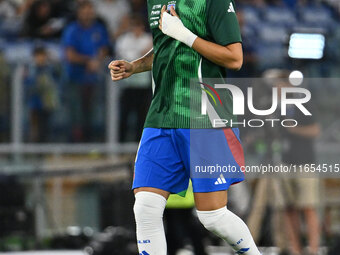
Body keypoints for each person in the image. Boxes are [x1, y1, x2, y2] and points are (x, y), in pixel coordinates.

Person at [108, 1, 261, 255]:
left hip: (203, 115)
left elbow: (234, 58)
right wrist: (136, 66)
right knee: (145, 207)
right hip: (161, 115)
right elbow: (166, 48)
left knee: (212, 216)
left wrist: (185, 35)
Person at [62, 0, 110, 142]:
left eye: (90, 11)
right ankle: (74, 146)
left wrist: (97, 61)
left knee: (92, 114)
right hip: (75, 78)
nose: (88, 14)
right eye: (85, 11)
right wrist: (88, 61)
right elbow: (70, 55)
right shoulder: (72, 30)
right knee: (76, 114)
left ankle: (90, 144)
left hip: (93, 79)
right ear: (79, 13)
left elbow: (104, 49)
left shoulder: (99, 29)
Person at [115, 16, 152, 142]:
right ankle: (121, 145)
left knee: (142, 117)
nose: (136, 29)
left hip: (143, 85)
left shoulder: (148, 39)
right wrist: (140, 54)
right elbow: (125, 58)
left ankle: (139, 143)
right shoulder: (123, 40)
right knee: (124, 115)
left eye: (139, 26)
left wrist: (138, 56)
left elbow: (142, 56)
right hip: (127, 85)